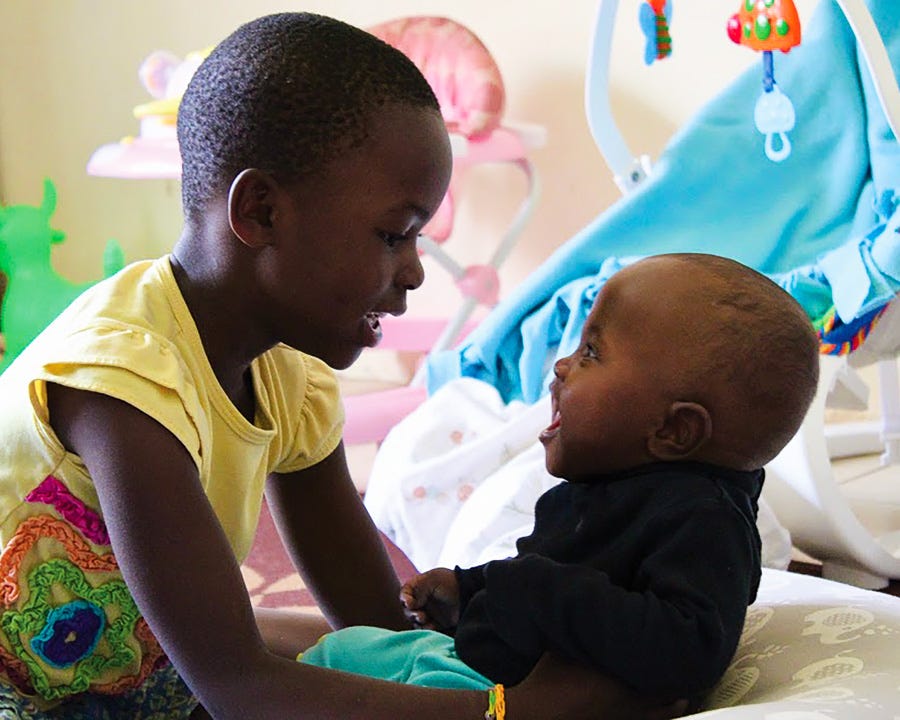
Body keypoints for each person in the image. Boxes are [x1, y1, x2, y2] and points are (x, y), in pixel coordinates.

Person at [0, 11, 688, 720]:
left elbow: (376, 625)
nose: (417, 272)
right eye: (394, 234)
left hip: (131, 667)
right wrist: (518, 713)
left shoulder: (287, 374)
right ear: (261, 212)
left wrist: (515, 656)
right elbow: (241, 691)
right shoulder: (126, 386)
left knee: (334, 652)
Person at [299, 252, 822, 710]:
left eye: (592, 352)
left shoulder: (703, 521)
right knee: (342, 653)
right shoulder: (610, 481)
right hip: (482, 659)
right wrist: (469, 587)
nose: (563, 365)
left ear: (673, 430)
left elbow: (688, 649)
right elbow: (541, 572)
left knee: (349, 692)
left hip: (514, 693)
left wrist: (536, 592)